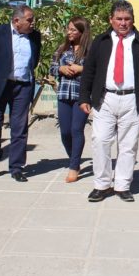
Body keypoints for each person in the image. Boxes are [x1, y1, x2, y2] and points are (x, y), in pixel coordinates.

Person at [79, 0, 139, 203]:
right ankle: (102, 184)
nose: (123, 23)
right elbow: (89, 71)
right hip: (105, 98)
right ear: (111, 20)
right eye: (119, 19)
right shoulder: (101, 41)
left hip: (132, 99)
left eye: (127, 19)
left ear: (133, 20)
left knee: (128, 145)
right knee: (100, 141)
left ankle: (123, 185)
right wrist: (84, 97)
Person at [0, 5, 41, 182]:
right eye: (29, 20)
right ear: (17, 21)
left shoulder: (35, 36)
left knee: (19, 128)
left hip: (22, 87)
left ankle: (16, 167)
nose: (33, 23)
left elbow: (35, 60)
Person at [50, 16, 92, 183]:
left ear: (83, 32)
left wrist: (81, 68)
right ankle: (74, 158)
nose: (70, 32)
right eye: (69, 29)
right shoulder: (62, 49)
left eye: (74, 30)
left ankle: (74, 166)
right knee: (65, 132)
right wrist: (61, 68)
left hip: (82, 96)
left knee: (76, 130)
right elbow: (52, 67)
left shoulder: (91, 51)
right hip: (64, 94)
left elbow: (98, 69)